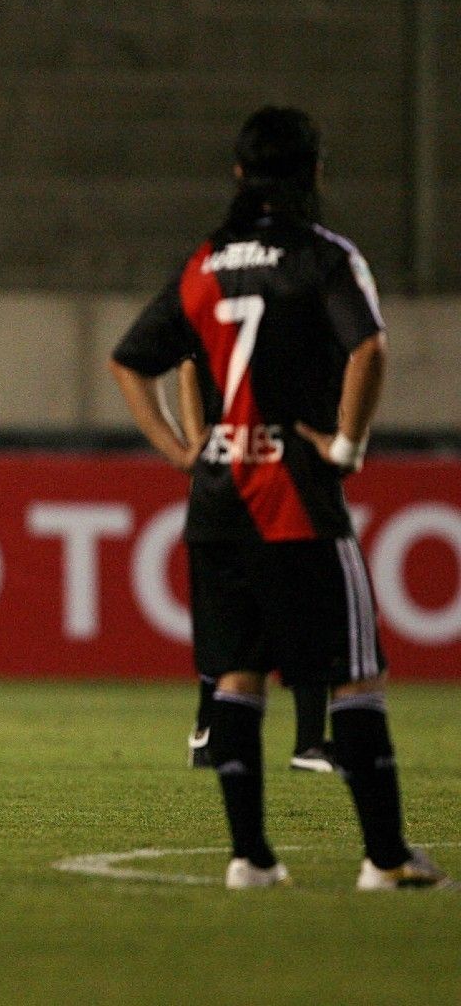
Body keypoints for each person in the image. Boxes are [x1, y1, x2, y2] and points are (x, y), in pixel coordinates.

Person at [110, 106, 448, 890]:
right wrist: (349, 446)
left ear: (238, 174)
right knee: (355, 675)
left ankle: (251, 859)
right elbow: (369, 345)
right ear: (314, 173)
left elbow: (132, 360)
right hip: (293, 495)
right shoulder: (324, 256)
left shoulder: (204, 264)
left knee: (237, 675)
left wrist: (179, 450)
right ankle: (388, 859)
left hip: (218, 499)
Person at [177, 360, 333, 774]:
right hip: (234, 471)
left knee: (303, 605)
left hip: (284, 469)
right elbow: (187, 365)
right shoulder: (222, 300)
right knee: (233, 620)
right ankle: (211, 729)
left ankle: (309, 742)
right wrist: (194, 447)